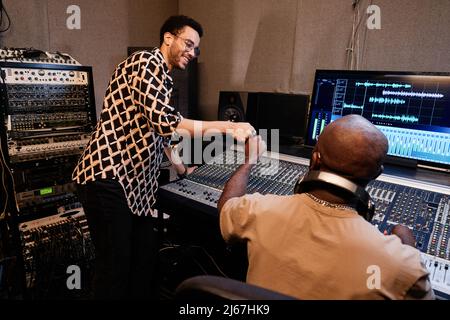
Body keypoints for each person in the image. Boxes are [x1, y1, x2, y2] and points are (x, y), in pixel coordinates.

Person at [73, 15, 255, 299]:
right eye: (188, 43)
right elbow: (166, 122)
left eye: (196, 49)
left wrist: (183, 171)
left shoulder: (163, 79)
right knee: (115, 271)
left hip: (135, 190)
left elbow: (162, 134)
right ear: (168, 38)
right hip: (107, 177)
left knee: (145, 262)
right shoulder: (145, 62)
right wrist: (228, 127)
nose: (192, 53)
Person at [218, 114, 434, 300]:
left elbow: (226, 207)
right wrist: (406, 241)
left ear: (314, 159)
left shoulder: (259, 210)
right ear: (376, 174)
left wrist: (250, 160)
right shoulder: (403, 265)